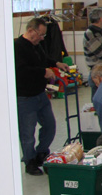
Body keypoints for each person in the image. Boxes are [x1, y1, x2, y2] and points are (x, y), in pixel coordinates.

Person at [14, 17, 69, 175]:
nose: (42, 38)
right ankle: (29, 161)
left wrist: (56, 63)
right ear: (31, 31)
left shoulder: (37, 45)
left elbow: (43, 59)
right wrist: (43, 72)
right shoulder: (18, 47)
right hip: (25, 97)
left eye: (44, 35)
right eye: (40, 34)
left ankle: (41, 152)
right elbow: (21, 70)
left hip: (40, 94)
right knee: (27, 132)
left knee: (50, 125)